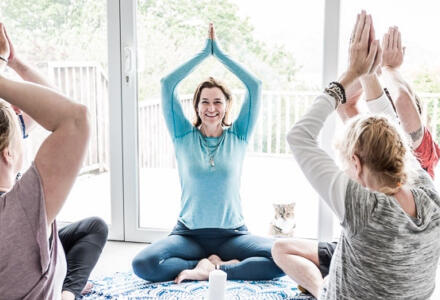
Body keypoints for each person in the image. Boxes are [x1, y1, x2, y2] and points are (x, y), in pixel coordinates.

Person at [272, 11, 440, 299]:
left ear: (356, 162)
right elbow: (395, 135)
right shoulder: (430, 198)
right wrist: (377, 70)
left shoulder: (363, 207)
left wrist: (351, 73)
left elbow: (298, 137)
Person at [132, 24, 283, 283]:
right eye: (205, 101)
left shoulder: (239, 135)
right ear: (196, 105)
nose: (211, 107)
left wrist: (220, 54)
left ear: (226, 107)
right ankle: (202, 264)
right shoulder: (182, 136)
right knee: (143, 264)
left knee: (281, 260)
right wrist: (205, 53)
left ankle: (217, 269)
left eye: (217, 102)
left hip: (233, 235)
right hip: (188, 235)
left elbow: (255, 86)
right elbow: (167, 84)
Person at [3, 25, 108, 300]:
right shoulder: (21, 207)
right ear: (8, 153)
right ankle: (68, 292)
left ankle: (66, 288)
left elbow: (57, 101)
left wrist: (14, 62)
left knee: (91, 228)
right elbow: (74, 115)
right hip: (20, 232)